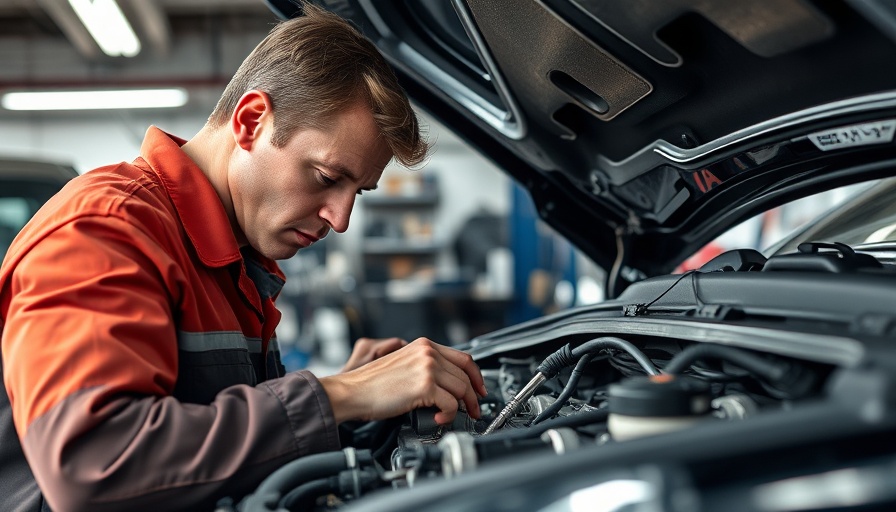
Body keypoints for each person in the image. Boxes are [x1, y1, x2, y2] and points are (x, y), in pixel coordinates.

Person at [0, 4, 486, 511]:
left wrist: (347, 406)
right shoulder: (105, 230)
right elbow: (94, 467)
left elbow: (209, 438)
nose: (340, 220)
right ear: (251, 120)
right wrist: (338, 395)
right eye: (326, 177)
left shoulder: (230, 261)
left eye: (357, 193)